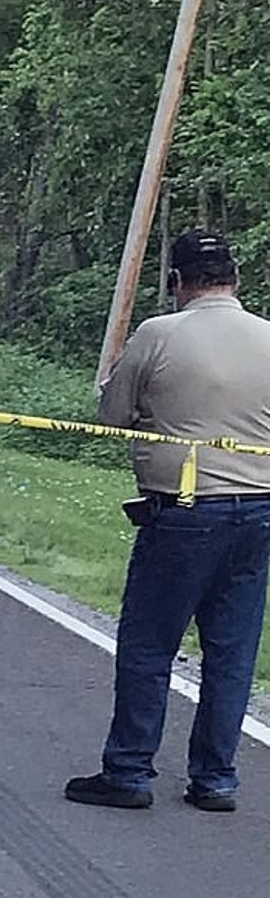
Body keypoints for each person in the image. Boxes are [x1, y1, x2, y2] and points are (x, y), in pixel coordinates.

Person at [66, 230, 270, 813]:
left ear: (177, 281)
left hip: (183, 510)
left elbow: (114, 416)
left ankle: (129, 770)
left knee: (150, 645)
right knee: (231, 652)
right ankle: (216, 778)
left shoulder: (158, 335)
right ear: (235, 278)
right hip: (257, 509)